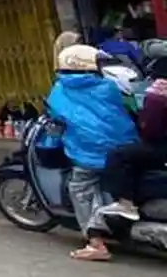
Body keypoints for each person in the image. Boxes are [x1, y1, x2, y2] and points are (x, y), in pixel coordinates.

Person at [46, 40, 140, 261]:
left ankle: (96, 243)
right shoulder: (109, 85)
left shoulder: (60, 90)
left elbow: (55, 119)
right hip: (125, 147)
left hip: (88, 154)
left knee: (80, 190)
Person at [98, 64, 167, 222]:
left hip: (162, 148)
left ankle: (125, 203)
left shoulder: (157, 94)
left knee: (118, 155)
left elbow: (151, 131)